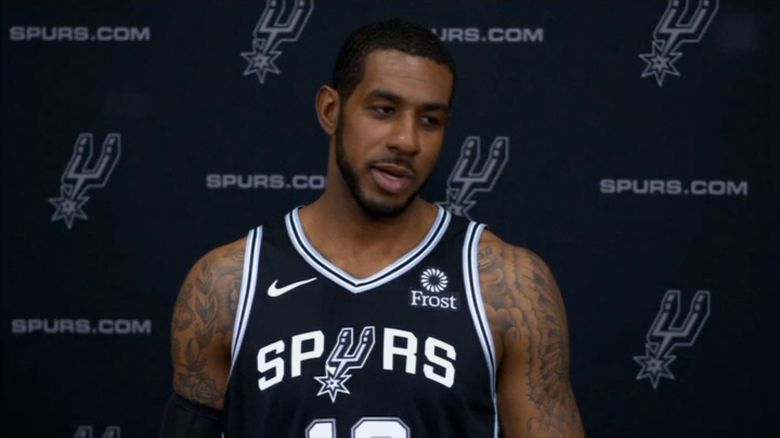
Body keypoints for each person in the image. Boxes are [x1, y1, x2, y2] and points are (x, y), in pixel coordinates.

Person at [160, 19, 584, 438]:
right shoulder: (227, 285)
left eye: (430, 120)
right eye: (384, 110)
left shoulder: (507, 285)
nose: (407, 141)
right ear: (331, 110)